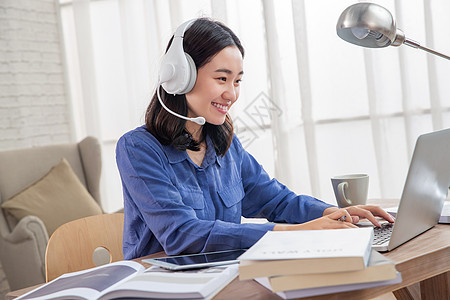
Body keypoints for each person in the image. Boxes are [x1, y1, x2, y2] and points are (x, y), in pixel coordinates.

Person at [116, 17, 394, 260]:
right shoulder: (138, 149)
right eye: (222, 79)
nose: (232, 94)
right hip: (164, 286)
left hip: (225, 276)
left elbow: (277, 201)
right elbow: (181, 234)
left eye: (237, 81)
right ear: (180, 78)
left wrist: (335, 214)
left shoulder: (224, 145)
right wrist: (293, 234)